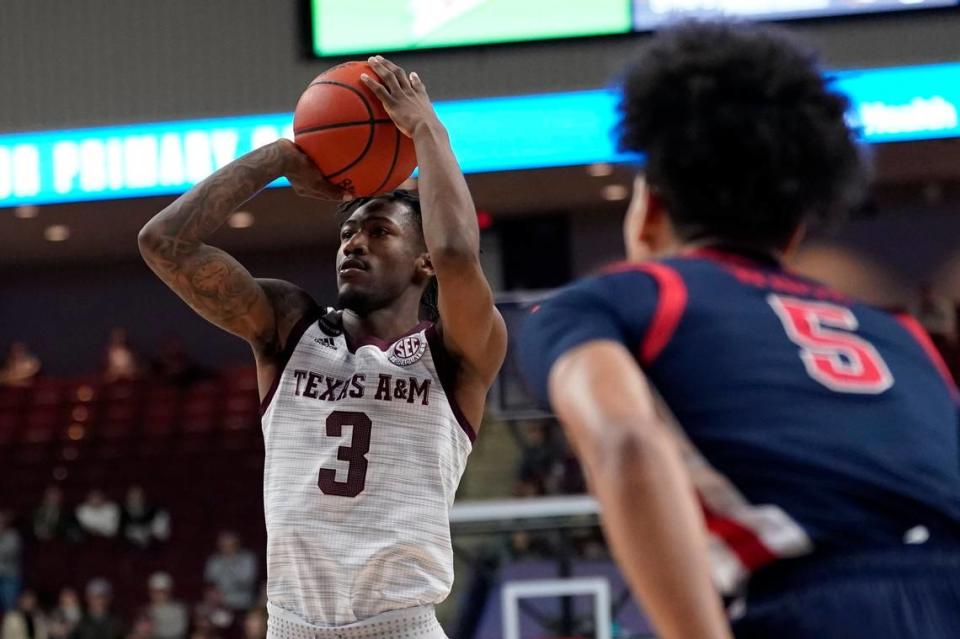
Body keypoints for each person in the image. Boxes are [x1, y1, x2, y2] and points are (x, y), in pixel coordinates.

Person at [519, 20, 960, 639]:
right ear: (797, 226)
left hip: (817, 603)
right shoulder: (903, 336)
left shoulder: (617, 300)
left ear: (650, 207)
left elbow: (627, 444)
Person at [138, 55, 506, 638]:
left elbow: (460, 255)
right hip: (292, 626)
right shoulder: (288, 329)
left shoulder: (454, 354)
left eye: (378, 232)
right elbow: (162, 243)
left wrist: (427, 129)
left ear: (424, 261)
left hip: (401, 627)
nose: (353, 244)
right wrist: (282, 158)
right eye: (346, 233)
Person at [202, 532, 257, 613]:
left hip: (241, 602)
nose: (226, 547)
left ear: (236, 543)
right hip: (218, 604)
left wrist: (231, 564)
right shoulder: (214, 560)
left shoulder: (247, 558)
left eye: (230, 544)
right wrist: (213, 593)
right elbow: (209, 582)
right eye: (223, 544)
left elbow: (247, 582)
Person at [144, 573, 188, 639]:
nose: (158, 595)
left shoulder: (178, 610)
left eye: (162, 591)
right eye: (155, 591)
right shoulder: (146, 610)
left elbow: (176, 631)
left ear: (169, 591)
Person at [0, 511, 22, 613]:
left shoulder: (13, 536)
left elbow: (9, 554)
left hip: (9, 575)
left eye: (1, 522)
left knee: (10, 606)